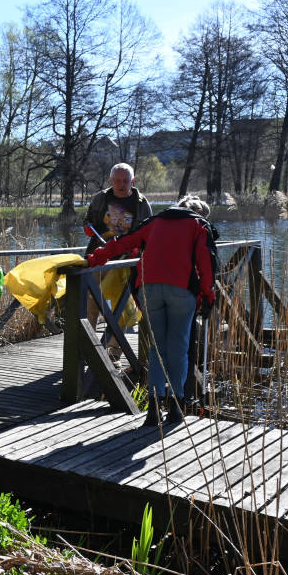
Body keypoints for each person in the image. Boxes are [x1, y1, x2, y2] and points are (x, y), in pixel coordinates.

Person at [87, 195, 216, 426]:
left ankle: (154, 409)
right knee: (179, 347)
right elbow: (206, 263)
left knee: (157, 348)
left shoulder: (154, 222)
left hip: (149, 289)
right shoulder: (199, 225)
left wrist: (95, 259)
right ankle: (176, 406)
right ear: (200, 213)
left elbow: (122, 243)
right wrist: (208, 295)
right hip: (181, 290)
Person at [83, 163, 153, 364]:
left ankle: (114, 353)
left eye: (126, 181)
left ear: (133, 181)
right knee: (91, 303)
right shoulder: (101, 198)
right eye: (118, 180)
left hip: (125, 262)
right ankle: (88, 349)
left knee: (121, 308)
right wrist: (88, 228)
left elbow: (150, 232)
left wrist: (139, 253)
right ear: (111, 180)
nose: (122, 185)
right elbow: (88, 221)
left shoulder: (142, 203)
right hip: (98, 258)